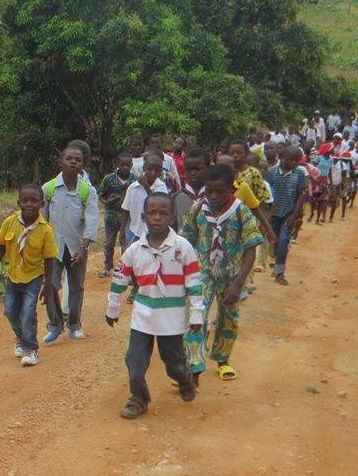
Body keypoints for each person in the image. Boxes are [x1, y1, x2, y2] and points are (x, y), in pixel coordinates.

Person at [106, 192, 202, 418]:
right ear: (143, 217)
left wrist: (196, 314)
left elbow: (194, 283)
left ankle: (184, 378)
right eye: (152, 213)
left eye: (163, 213)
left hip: (172, 318)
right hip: (143, 316)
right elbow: (119, 279)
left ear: (172, 217)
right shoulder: (134, 250)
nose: (157, 217)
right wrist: (112, 308)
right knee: (134, 361)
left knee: (173, 362)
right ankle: (138, 399)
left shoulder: (183, 248)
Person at [181, 164, 263, 383]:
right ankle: (194, 367)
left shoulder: (241, 212)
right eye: (209, 191)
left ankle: (222, 359)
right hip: (202, 273)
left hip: (232, 275)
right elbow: (186, 241)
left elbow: (251, 249)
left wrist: (238, 283)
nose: (214, 196)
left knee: (229, 318)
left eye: (220, 191)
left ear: (231, 189)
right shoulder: (198, 209)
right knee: (196, 316)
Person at [0, 184, 57, 366]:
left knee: (27, 313)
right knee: (10, 311)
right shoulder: (9, 222)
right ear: (18, 202)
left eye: (34, 201)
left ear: (42, 204)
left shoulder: (46, 230)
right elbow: (1, 246)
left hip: (33, 277)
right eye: (25, 200)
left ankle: (30, 348)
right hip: (13, 276)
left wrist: (48, 285)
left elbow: (49, 258)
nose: (29, 204)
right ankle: (20, 337)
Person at [42, 146, 99, 343]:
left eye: (78, 160)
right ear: (61, 162)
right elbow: (42, 220)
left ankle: (74, 325)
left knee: (76, 287)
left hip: (77, 248)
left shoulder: (87, 191)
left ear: (83, 164)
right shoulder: (48, 189)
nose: (73, 162)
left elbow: (92, 221)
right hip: (53, 248)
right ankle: (55, 325)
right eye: (69, 158)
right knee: (50, 285)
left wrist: (83, 248)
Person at [265, 146, 307, 287]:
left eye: (297, 160)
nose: (294, 162)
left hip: (288, 214)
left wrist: (294, 216)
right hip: (273, 214)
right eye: (291, 159)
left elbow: (301, 196)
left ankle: (279, 273)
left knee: (283, 240)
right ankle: (275, 261)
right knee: (274, 241)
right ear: (283, 157)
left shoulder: (299, 174)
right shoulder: (271, 173)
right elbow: (266, 193)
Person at [98, 153, 133, 277]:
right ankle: (108, 267)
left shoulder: (135, 180)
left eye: (128, 165)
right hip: (111, 215)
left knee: (126, 242)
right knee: (109, 243)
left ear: (131, 165)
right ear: (117, 165)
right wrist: (107, 202)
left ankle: (125, 269)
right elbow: (100, 194)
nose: (125, 167)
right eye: (122, 165)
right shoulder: (109, 179)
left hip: (127, 216)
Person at [121, 153, 168, 245]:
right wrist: (122, 229)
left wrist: (146, 187)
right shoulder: (133, 187)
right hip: (134, 232)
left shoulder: (162, 188)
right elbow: (126, 209)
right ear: (144, 168)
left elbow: (158, 206)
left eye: (157, 170)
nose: (153, 173)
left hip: (153, 234)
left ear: (161, 172)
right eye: (150, 169)